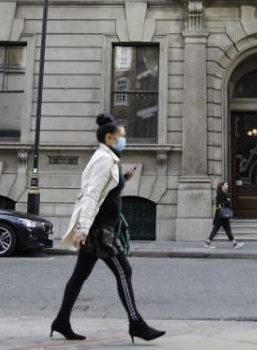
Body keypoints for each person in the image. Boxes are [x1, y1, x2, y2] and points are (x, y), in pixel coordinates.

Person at [52, 114, 166, 343]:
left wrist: (124, 178)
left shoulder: (109, 159)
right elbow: (91, 195)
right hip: (99, 232)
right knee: (124, 271)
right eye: (122, 137)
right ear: (109, 137)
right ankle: (136, 324)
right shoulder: (104, 159)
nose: (125, 140)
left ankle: (61, 321)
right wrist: (82, 230)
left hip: (100, 229)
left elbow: (107, 187)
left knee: (79, 276)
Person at [204, 181, 244, 249]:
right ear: (222, 186)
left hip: (221, 215)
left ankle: (234, 244)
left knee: (222, 229)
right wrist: (228, 201)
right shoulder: (221, 194)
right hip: (222, 215)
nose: (227, 186)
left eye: (227, 184)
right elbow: (222, 204)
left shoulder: (222, 193)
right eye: (226, 184)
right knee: (224, 229)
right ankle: (234, 244)